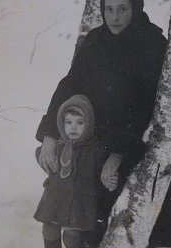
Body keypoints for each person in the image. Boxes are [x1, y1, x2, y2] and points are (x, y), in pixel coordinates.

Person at [35, 0, 171, 248]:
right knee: (95, 231)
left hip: (139, 147)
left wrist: (120, 153)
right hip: (96, 145)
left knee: (145, 231)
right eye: (109, 9)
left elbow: (149, 105)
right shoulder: (96, 40)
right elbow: (70, 84)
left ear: (135, 9)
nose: (114, 17)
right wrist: (50, 134)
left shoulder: (151, 42)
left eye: (122, 9)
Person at [34, 94, 117, 248]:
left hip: (80, 198)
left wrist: (110, 179)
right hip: (56, 195)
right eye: (69, 122)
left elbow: (103, 170)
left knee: (73, 234)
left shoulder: (95, 149)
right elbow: (41, 155)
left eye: (80, 123)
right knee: (49, 228)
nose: (73, 127)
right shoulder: (58, 145)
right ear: (62, 123)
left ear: (89, 124)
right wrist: (43, 158)